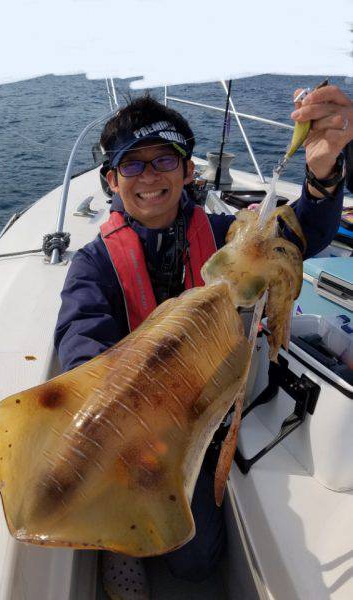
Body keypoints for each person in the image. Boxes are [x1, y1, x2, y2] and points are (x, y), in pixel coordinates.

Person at [54, 86, 350, 599]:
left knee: (194, 565)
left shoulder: (226, 237)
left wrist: (322, 175)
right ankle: (115, 542)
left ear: (188, 172)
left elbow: (300, 237)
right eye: (132, 164)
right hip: (137, 430)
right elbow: (81, 343)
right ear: (111, 180)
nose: (150, 176)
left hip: (209, 414)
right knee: (127, 510)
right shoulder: (94, 265)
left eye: (164, 160)